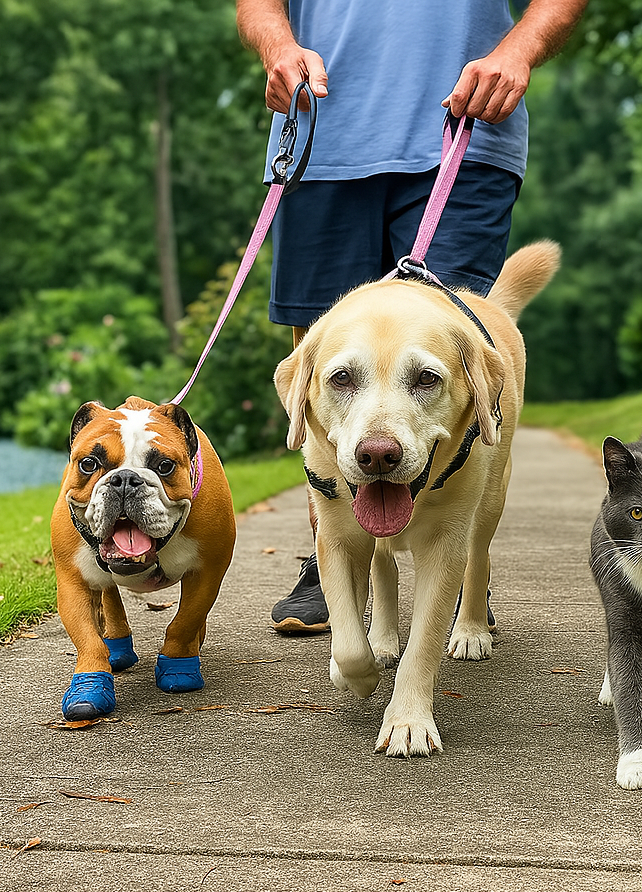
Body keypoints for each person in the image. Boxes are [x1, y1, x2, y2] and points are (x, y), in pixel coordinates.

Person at [236, 0, 587, 633]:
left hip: (464, 132)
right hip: (319, 141)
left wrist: (519, 49)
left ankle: (445, 554)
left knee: (447, 369)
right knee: (331, 371)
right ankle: (335, 557)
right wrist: (277, 47)